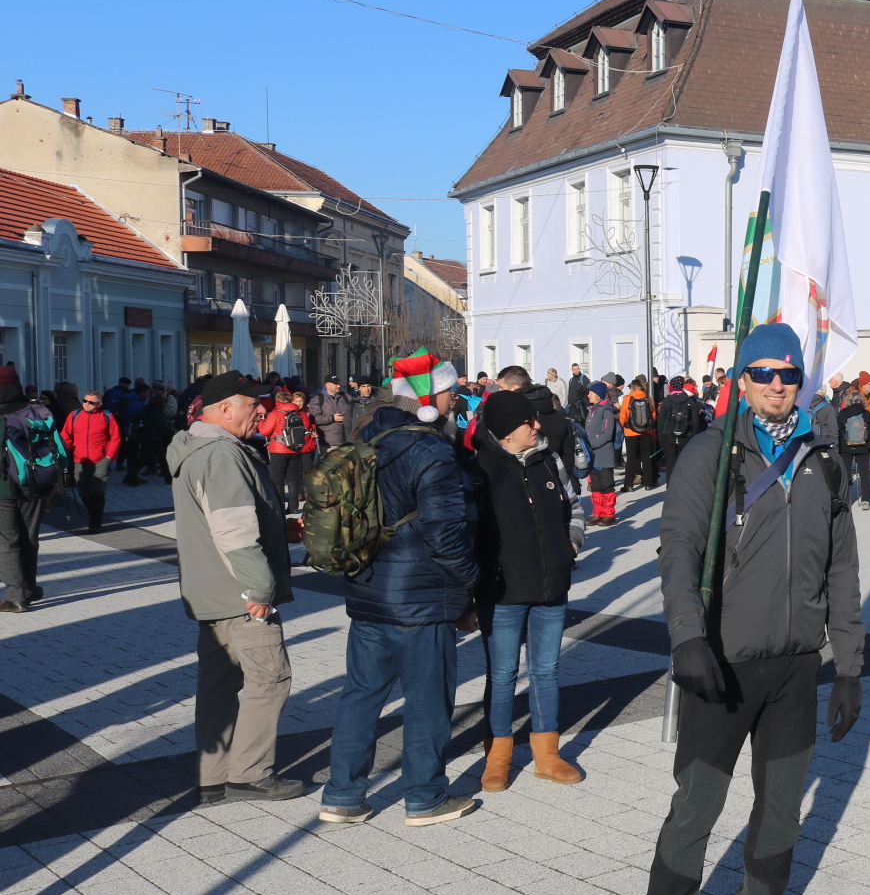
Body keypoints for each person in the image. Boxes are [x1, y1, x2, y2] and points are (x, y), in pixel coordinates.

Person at [631, 321, 864, 895]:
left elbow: (843, 568)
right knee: (695, 811)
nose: (777, 385)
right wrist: (685, 639)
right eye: (764, 373)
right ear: (741, 379)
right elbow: (677, 548)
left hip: (794, 667)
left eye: (788, 374)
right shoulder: (712, 452)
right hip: (722, 667)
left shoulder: (821, 458)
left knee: (782, 808)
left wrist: (849, 666)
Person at [319, 351, 481, 828]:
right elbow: (446, 534)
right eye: (450, 390)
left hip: (367, 588)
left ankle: (343, 796)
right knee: (428, 698)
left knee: (360, 695)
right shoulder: (432, 451)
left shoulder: (368, 435)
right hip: (422, 597)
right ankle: (426, 797)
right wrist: (474, 587)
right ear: (431, 397)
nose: (456, 398)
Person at [166, 372, 303, 803]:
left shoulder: (196, 447)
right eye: (252, 403)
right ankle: (249, 775)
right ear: (225, 409)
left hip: (211, 592)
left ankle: (214, 777)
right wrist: (259, 590)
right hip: (239, 593)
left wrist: (281, 530)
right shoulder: (223, 454)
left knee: (218, 686)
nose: (261, 409)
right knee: (270, 679)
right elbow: (235, 533)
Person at [472, 389, 586, 793]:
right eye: (528, 422)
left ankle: (546, 753)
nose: (537, 425)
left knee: (546, 670)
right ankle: (498, 757)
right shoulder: (480, 468)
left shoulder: (549, 459)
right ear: (505, 432)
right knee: (502, 675)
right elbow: (470, 532)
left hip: (552, 584)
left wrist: (570, 545)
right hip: (501, 591)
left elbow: (574, 506)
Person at [0, 366, 53, 611]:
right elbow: (56, 445)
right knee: (29, 539)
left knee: (7, 541)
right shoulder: (34, 410)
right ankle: (30, 588)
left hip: (3, 489)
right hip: (35, 483)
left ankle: (16, 597)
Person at [61, 389, 121, 534]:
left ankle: (95, 520)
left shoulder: (107, 416)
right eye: (84, 401)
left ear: (99, 404)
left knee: (97, 491)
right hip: (79, 459)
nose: (86, 404)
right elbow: (66, 436)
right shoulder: (74, 415)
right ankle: (93, 513)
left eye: (91, 402)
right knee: (83, 491)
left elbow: (115, 438)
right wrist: (64, 457)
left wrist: (108, 458)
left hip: (100, 459)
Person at [263, 390, 318, 513]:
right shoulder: (298, 412)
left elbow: (265, 432)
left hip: (278, 449)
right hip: (295, 449)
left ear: (277, 401)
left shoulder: (275, 414)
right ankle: (293, 507)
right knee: (292, 479)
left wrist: (261, 421)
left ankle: (280, 506)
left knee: (278, 480)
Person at [582, 381, 621, 527]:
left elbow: (606, 434)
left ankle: (609, 514)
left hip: (603, 454)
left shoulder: (606, 411)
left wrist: (591, 444)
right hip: (593, 456)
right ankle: (598, 513)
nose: (588, 395)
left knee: (606, 485)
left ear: (598, 395)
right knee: (596, 486)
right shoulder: (593, 410)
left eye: (591, 393)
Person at [837, 377, 870, 509]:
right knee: (864, 474)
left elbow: (839, 430)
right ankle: (866, 500)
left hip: (846, 448)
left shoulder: (843, 413)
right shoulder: (866, 413)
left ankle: (844, 500)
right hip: (863, 447)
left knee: (844, 474)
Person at [656, 376, 704, 484]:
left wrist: (660, 434)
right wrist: (693, 434)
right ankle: (684, 485)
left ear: (671, 387)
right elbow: (695, 421)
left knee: (670, 462)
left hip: (668, 434)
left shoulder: (667, 401)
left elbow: (661, 420)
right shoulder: (690, 401)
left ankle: (670, 486)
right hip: (686, 435)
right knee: (685, 462)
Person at [619, 376, 658, 491]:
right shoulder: (648, 397)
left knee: (631, 458)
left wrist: (625, 425)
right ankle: (648, 483)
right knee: (646, 457)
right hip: (646, 431)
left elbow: (623, 415)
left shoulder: (628, 398)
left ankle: (628, 484)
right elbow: (653, 414)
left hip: (631, 432)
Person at [313, 376, 351, 456]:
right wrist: (332, 418)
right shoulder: (318, 399)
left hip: (347, 441)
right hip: (329, 443)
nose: (339, 386)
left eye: (339, 383)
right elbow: (314, 418)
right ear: (327, 385)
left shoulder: (345, 397)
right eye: (336, 384)